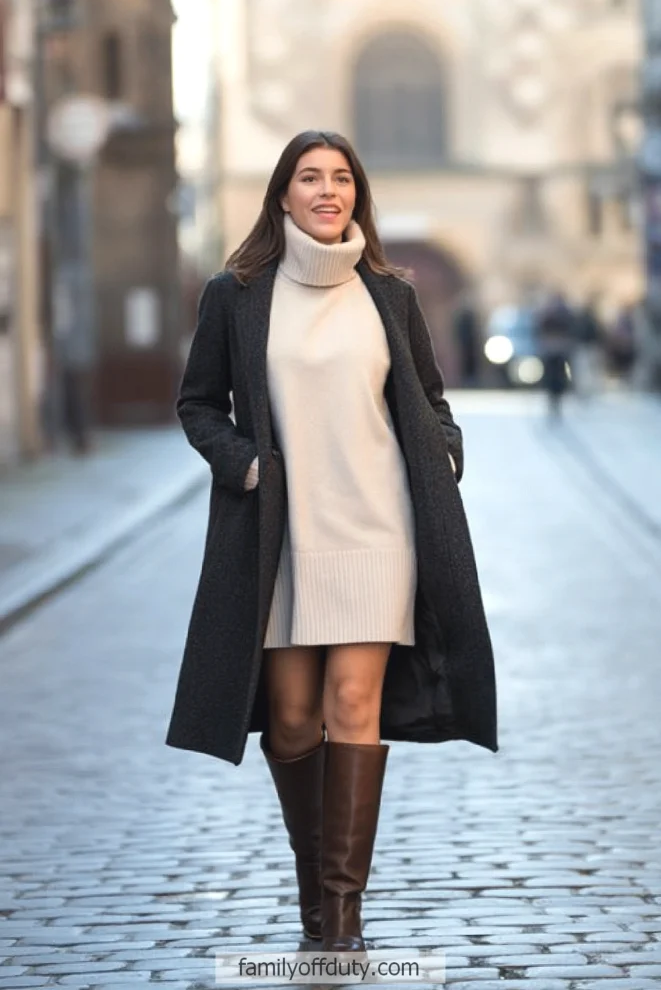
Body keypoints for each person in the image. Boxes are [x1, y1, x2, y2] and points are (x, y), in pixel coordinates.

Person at [165, 131, 498, 953]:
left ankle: (341, 920)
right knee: (289, 719)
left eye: (341, 178)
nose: (326, 191)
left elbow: (428, 397)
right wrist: (243, 466)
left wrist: (442, 449)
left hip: (378, 527)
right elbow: (198, 404)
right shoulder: (237, 294)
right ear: (282, 194)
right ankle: (315, 895)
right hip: (278, 533)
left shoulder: (389, 293)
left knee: (352, 705)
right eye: (309, 177)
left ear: (357, 195)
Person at [535, 291, 576, 417]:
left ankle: (556, 397)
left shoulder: (562, 315)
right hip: (552, 350)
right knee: (552, 376)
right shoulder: (551, 314)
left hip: (558, 350)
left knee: (557, 376)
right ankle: (553, 398)